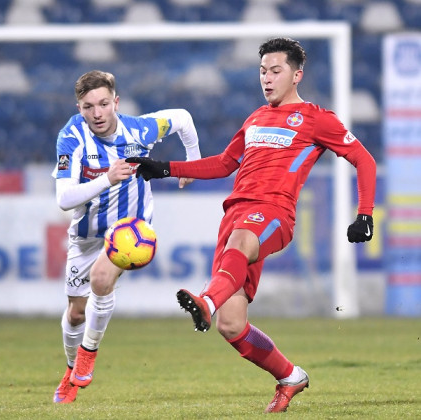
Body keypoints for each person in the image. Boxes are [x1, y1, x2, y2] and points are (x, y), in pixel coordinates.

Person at [127, 37, 376, 413]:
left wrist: (365, 214)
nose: (267, 78)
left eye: (276, 70)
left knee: (239, 246)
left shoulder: (316, 119)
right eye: (262, 71)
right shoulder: (256, 118)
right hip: (235, 216)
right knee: (231, 324)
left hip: (274, 214)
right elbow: (226, 163)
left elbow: (364, 160)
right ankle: (290, 376)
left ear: (297, 75)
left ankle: (206, 300)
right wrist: (165, 169)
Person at [52, 70, 201, 404]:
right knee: (76, 313)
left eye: (104, 103)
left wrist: (193, 160)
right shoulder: (71, 138)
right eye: (89, 106)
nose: (98, 113)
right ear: (79, 108)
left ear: (115, 102)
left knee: (101, 280)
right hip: (86, 235)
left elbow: (182, 118)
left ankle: (88, 355)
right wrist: (107, 178)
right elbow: (63, 200)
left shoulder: (140, 129)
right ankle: (70, 369)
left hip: (128, 231)